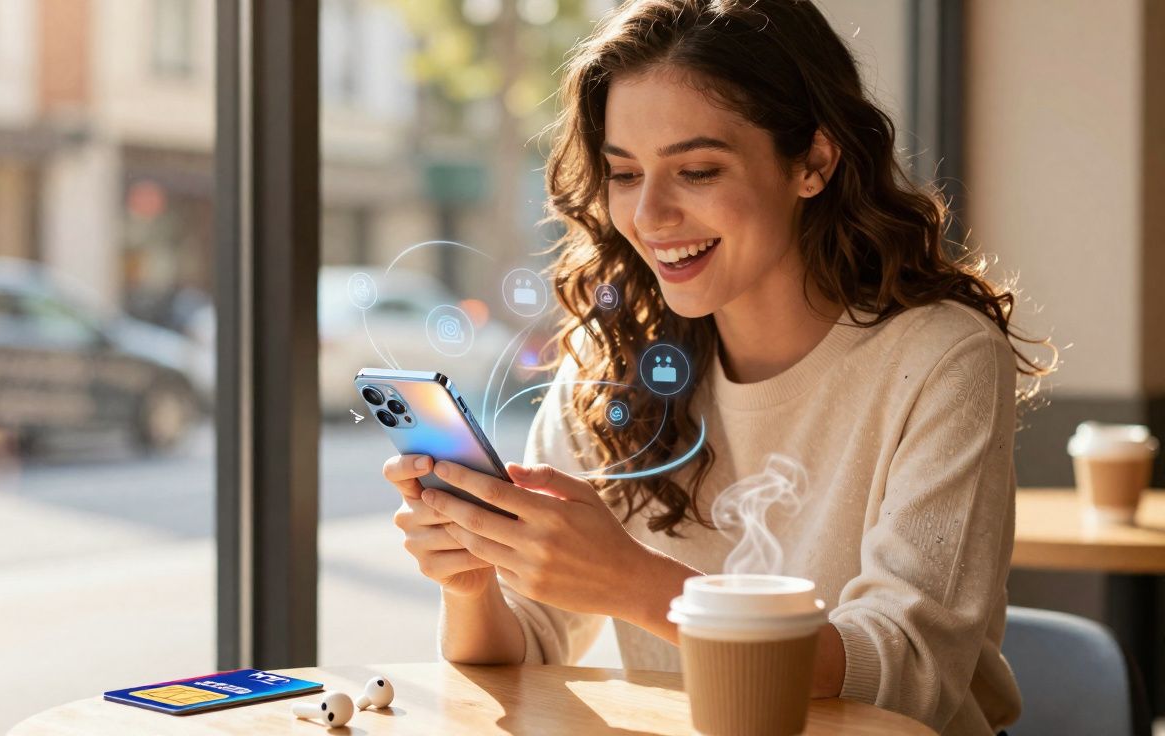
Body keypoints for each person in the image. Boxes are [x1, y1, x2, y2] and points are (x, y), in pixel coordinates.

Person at [382, 1, 1055, 734]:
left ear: (814, 162)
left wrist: (637, 585)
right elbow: (523, 653)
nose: (650, 215)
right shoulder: (612, 365)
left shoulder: (940, 357)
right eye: (625, 173)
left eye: (697, 170)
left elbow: (906, 674)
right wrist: (473, 579)